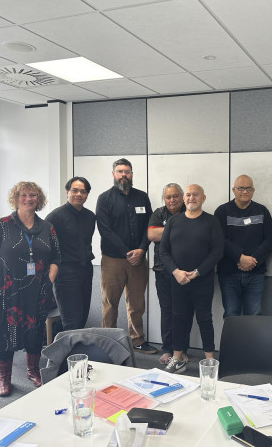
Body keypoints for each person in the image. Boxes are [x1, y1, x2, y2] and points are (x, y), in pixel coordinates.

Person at [0, 182, 60, 396]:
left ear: (38, 199)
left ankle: (33, 371)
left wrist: (49, 281)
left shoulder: (47, 227)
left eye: (33, 195)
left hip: (37, 291)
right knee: (5, 334)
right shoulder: (2, 225)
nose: (28, 198)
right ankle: (4, 378)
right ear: (16, 198)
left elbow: (55, 257)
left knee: (35, 333)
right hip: (7, 292)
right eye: (23, 195)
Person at [159, 184, 224, 374]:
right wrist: (176, 272)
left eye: (195, 195)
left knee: (205, 319)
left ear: (203, 198)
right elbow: (163, 251)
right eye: (188, 195)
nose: (191, 198)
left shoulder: (211, 222)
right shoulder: (173, 221)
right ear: (183, 198)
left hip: (202, 280)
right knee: (179, 319)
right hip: (177, 281)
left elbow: (217, 252)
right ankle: (177, 359)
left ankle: (210, 362)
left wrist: (197, 272)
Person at [96, 158, 156, 354]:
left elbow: (150, 225)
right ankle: (108, 341)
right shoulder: (104, 199)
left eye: (127, 171)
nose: (124, 175)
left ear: (131, 174)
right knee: (110, 302)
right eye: (120, 171)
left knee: (137, 303)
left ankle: (137, 339)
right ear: (113, 174)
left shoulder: (142, 197)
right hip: (113, 260)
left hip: (139, 259)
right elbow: (105, 230)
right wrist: (126, 252)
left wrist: (142, 250)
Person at [214, 174, 272, 317]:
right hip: (228, 273)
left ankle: (251, 341)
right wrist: (240, 257)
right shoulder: (222, 211)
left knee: (254, 315)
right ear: (233, 190)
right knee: (231, 314)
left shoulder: (262, 211)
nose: (245, 191)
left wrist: (253, 260)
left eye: (248, 188)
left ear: (253, 190)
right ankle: (232, 341)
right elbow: (219, 240)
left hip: (256, 273)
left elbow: (270, 239)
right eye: (241, 188)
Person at [147, 183, 191, 365]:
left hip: (185, 273)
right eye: (168, 197)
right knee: (167, 311)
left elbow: (195, 233)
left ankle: (182, 350)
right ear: (164, 199)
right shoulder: (159, 213)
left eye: (175, 196)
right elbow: (151, 235)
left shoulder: (191, 210)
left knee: (185, 312)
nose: (172, 200)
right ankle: (167, 348)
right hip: (163, 271)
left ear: (182, 197)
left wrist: (166, 232)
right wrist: (181, 230)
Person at [45, 177, 96, 331]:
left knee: (82, 316)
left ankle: (77, 353)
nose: (78, 194)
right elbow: (46, 248)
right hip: (65, 272)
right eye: (74, 190)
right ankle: (70, 354)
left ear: (87, 195)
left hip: (86, 269)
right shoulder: (55, 217)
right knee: (71, 319)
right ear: (67, 192)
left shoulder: (90, 216)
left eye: (83, 191)